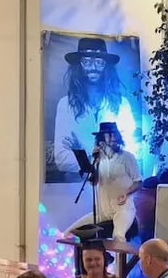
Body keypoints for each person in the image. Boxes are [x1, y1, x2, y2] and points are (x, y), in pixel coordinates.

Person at [53, 36, 137, 174]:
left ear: (107, 67)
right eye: (86, 62)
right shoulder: (65, 105)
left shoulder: (122, 105)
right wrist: (94, 162)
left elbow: (131, 149)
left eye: (99, 62)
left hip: (117, 185)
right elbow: (61, 157)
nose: (93, 67)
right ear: (78, 66)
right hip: (78, 186)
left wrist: (100, 162)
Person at [66, 121, 142, 241]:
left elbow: (138, 182)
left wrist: (126, 193)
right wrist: (93, 163)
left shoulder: (127, 157)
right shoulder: (98, 158)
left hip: (122, 209)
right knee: (69, 234)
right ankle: (101, 258)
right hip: (103, 211)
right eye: (110, 134)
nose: (114, 137)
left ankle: (120, 260)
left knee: (118, 236)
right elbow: (94, 182)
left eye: (116, 134)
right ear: (102, 138)